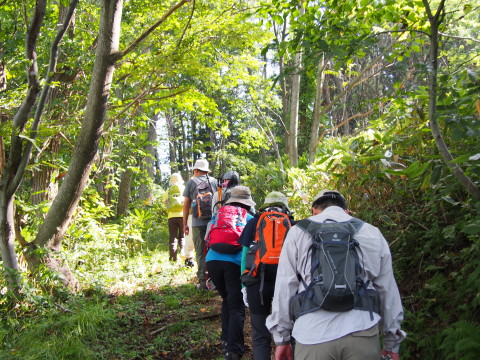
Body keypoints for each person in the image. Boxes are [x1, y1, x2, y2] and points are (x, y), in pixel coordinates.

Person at [266, 190, 406, 360]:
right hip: (362, 332)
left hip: (312, 335)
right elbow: (387, 290)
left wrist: (282, 339)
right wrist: (392, 343)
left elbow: (285, 288)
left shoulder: (298, 232)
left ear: (314, 210)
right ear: (346, 211)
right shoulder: (371, 232)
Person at [238, 191, 294, 360]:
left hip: (257, 283)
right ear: (285, 207)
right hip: (286, 284)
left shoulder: (254, 222)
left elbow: (245, 256)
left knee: (260, 335)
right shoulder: (292, 224)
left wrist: (243, 286)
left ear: (265, 207)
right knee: (290, 336)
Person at [206, 186, 256, 360]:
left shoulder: (218, 214)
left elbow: (208, 238)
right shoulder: (249, 218)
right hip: (233, 263)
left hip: (212, 260)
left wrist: (207, 273)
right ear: (247, 203)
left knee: (227, 300)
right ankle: (234, 350)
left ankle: (226, 341)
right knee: (237, 306)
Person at [182, 159, 218, 290]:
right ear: (207, 171)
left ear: (196, 170)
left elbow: (186, 204)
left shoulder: (191, 182)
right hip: (214, 223)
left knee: (200, 252)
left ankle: (203, 283)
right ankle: (215, 282)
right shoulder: (214, 182)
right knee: (214, 250)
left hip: (197, 223)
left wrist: (185, 223)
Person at [164, 173, 185, 262]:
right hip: (183, 215)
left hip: (171, 216)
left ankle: (173, 258)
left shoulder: (168, 190)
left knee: (173, 237)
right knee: (183, 236)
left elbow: (165, 202)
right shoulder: (184, 188)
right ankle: (184, 256)